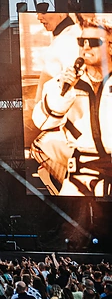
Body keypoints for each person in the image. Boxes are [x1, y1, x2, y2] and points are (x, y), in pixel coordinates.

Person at [31, 17, 112, 196]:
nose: (86, 47)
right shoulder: (64, 82)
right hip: (80, 179)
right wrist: (65, 90)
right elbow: (42, 122)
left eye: (93, 42)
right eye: (82, 42)